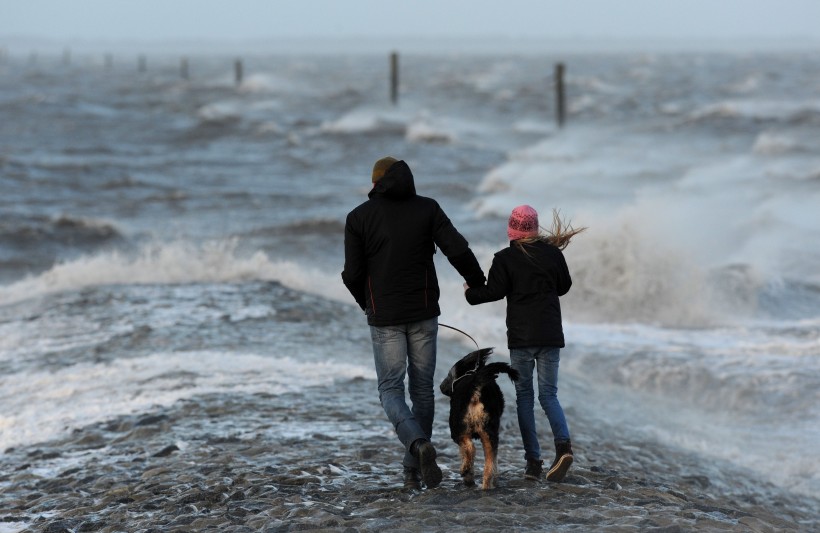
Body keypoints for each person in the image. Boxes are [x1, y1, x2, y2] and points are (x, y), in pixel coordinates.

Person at [342, 156, 486, 490]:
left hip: (386, 317)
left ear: (375, 183)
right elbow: (458, 248)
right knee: (422, 389)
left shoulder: (358, 218)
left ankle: (418, 448)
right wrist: (477, 283)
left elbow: (352, 274)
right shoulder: (428, 208)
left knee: (390, 389)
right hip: (424, 314)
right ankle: (414, 468)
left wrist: (369, 304)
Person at [464, 205, 585, 482]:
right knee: (549, 395)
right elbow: (564, 286)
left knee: (525, 399)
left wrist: (470, 293)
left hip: (521, 338)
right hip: (550, 336)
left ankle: (533, 462)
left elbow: (493, 291)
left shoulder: (505, 258)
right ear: (534, 228)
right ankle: (563, 447)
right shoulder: (553, 254)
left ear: (512, 229)